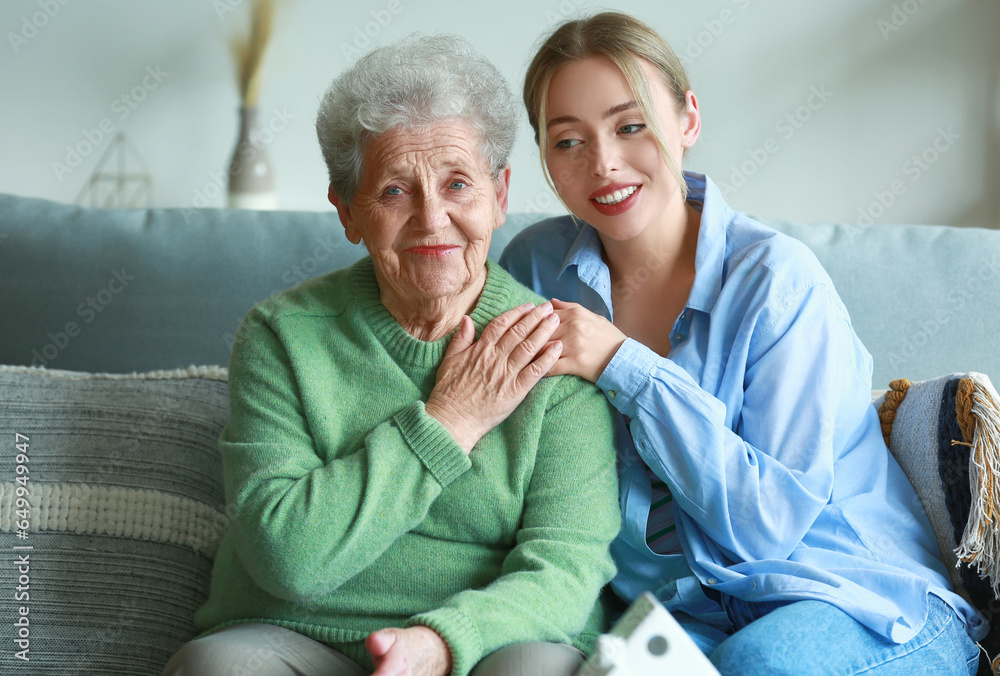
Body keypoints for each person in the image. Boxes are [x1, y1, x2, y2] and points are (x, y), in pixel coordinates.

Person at [500, 11, 986, 675]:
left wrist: (622, 364)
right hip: (683, 617)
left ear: (687, 120)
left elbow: (765, 528)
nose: (604, 162)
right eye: (567, 141)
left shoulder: (776, 282)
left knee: (760, 663)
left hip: (851, 599)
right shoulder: (535, 269)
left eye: (631, 125)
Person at [160, 35, 620, 676]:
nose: (432, 220)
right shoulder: (282, 336)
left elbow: (566, 572)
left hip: (482, 649)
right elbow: (287, 556)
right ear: (347, 211)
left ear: (500, 194)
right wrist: (449, 422)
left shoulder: (553, 350)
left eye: (458, 184)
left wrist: (440, 642)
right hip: (297, 642)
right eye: (395, 192)